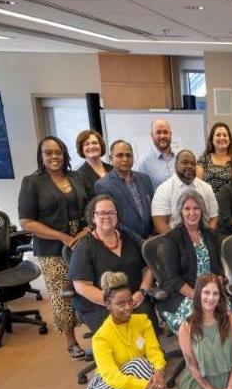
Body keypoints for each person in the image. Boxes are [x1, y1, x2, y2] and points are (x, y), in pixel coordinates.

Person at [73, 271, 197, 389]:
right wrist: (148, 385)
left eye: (130, 301)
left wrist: (159, 372)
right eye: (121, 304)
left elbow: (154, 351)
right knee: (139, 365)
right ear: (108, 304)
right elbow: (112, 377)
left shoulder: (142, 321)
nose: (128, 307)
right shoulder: (101, 337)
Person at [18, 136, 90, 360]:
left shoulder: (76, 176)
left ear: (64, 153)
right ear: (41, 156)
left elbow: (90, 206)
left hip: (82, 242)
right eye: (48, 153)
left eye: (57, 152)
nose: (54, 156)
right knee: (63, 296)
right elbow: (27, 222)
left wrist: (84, 232)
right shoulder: (32, 182)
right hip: (52, 249)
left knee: (87, 288)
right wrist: (62, 237)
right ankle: (71, 340)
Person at [68, 195, 154, 332]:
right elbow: (82, 287)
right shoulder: (84, 246)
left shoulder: (130, 237)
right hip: (102, 306)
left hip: (136, 300)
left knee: (146, 331)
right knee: (122, 336)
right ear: (92, 217)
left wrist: (142, 292)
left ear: (117, 215)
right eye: (101, 213)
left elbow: (148, 268)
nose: (107, 216)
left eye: (111, 212)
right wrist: (116, 303)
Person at [160, 190, 223, 334]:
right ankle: (197, 356)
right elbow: (173, 279)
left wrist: (217, 290)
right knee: (204, 325)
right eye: (187, 209)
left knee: (227, 318)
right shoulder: (172, 238)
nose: (192, 213)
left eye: (196, 208)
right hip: (183, 295)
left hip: (211, 292)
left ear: (202, 211)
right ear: (180, 212)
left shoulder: (210, 234)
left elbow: (218, 269)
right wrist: (199, 296)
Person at [94, 139, 155, 242]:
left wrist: (153, 235)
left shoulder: (145, 179)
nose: (125, 159)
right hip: (126, 242)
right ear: (110, 158)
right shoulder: (103, 185)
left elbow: (153, 208)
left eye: (128, 155)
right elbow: (112, 219)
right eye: (119, 155)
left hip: (152, 239)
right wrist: (139, 240)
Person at [151, 149, 218, 233]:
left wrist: (207, 237)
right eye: (185, 163)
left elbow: (214, 217)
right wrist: (177, 242)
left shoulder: (206, 188)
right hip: (175, 240)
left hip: (203, 238)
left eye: (193, 163)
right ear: (175, 165)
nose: (189, 166)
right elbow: (159, 223)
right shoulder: (163, 190)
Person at [134, 118, 175, 189]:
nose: (162, 136)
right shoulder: (143, 162)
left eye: (165, 132)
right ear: (152, 135)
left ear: (170, 134)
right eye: (158, 132)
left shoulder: (179, 157)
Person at [196, 122, 232, 195]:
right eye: (218, 135)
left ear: (229, 139)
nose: (222, 138)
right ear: (212, 139)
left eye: (225, 135)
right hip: (209, 204)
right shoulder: (203, 159)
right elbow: (197, 186)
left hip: (231, 204)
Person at [74, 129, 112, 198]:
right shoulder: (78, 177)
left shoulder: (113, 169)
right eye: (86, 144)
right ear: (81, 149)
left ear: (101, 146)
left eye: (95, 143)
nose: (91, 146)